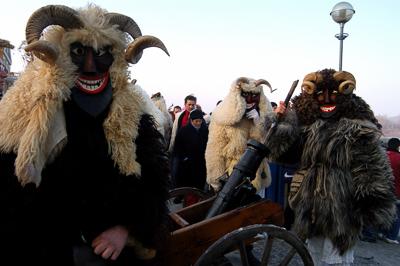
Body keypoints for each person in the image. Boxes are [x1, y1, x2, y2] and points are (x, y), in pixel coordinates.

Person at [0, 4, 170, 266]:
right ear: (61, 53)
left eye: (102, 54)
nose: (91, 67)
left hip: (109, 255)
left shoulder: (132, 116)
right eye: (79, 52)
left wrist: (128, 229)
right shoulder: (26, 110)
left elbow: (153, 184)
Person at [270, 69, 396, 265]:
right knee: (313, 255)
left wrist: (373, 205)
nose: (326, 100)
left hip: (342, 208)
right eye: (320, 95)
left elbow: (370, 167)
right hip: (310, 207)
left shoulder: (356, 129)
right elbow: (283, 153)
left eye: (334, 95)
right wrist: (282, 121)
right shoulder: (308, 128)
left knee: (336, 258)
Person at [205, 77, 284, 195]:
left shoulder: (261, 114)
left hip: (257, 175)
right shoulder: (222, 116)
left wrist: (260, 121)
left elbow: (271, 145)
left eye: (255, 95)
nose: (250, 99)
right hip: (232, 178)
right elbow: (215, 150)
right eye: (246, 94)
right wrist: (215, 180)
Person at [173, 109, 209, 206]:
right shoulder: (183, 130)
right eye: (196, 121)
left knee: (199, 185)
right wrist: (184, 158)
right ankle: (187, 205)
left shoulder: (205, 130)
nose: (198, 123)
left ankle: (198, 205)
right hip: (187, 164)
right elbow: (177, 147)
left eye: (200, 121)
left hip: (201, 162)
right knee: (188, 186)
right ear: (191, 120)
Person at [169, 95, 197, 187]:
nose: (191, 107)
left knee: (187, 172)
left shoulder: (198, 116)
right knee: (175, 171)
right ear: (185, 104)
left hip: (191, 151)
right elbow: (174, 132)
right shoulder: (179, 116)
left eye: (193, 105)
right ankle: (176, 191)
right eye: (189, 104)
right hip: (179, 149)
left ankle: (186, 193)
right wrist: (171, 147)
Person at [381, 137, 400, 244]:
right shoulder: (398, 158)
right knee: (396, 213)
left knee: (384, 210)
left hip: (382, 187)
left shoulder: (382, 155)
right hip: (396, 190)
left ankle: (382, 232)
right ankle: (392, 236)